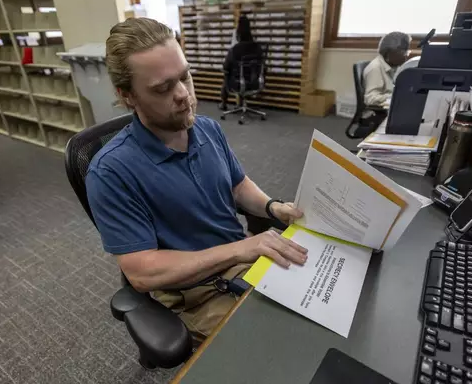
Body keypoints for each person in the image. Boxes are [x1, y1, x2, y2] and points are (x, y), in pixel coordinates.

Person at [86, 18, 307, 345]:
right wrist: (237, 251)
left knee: (327, 301)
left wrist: (272, 207)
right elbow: (142, 272)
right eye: (163, 88)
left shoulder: (206, 128)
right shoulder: (111, 172)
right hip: (196, 294)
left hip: (244, 261)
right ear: (127, 95)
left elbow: (237, 185)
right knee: (284, 345)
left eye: (185, 77)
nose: (183, 95)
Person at [219, 14, 264, 111]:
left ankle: (223, 103)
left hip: (237, 83)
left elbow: (226, 67)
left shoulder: (235, 50)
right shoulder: (258, 48)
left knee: (227, 75)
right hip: (255, 82)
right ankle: (240, 104)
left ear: (238, 33)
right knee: (240, 75)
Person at [363, 31, 411, 108]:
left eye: (406, 52)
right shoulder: (375, 68)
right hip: (382, 112)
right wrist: (394, 96)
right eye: (403, 53)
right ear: (389, 53)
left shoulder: (394, 65)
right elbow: (370, 98)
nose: (405, 57)